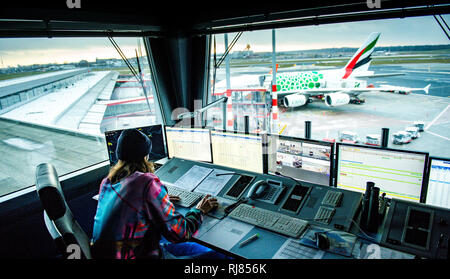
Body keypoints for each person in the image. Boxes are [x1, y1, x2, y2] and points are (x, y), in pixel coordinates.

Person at [91, 128, 224, 259]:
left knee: (191, 248)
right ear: (145, 156)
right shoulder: (146, 182)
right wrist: (199, 210)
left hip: (114, 253)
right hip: (139, 255)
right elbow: (181, 234)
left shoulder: (107, 181)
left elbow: (133, 208)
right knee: (219, 255)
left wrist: (157, 203)